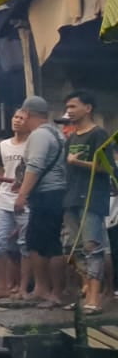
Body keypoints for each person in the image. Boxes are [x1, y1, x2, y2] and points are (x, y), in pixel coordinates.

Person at [60, 90, 113, 313]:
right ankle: (84, 292)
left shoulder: (98, 134)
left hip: (91, 196)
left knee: (92, 246)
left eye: (73, 106)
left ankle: (95, 298)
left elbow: (107, 168)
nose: (69, 111)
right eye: (68, 107)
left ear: (88, 108)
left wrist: (79, 163)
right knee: (72, 249)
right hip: (71, 197)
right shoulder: (71, 137)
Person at [14, 95, 68, 307]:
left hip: (46, 194)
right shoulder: (57, 134)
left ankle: (51, 292)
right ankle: (42, 289)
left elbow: (34, 166)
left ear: (27, 114)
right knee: (38, 242)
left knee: (47, 244)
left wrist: (22, 195)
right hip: (56, 193)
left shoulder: (39, 136)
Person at [0, 108, 30, 300]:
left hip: (25, 200)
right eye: (15, 116)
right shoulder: (4, 145)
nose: (17, 121)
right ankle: (2, 287)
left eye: (22, 118)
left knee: (25, 245)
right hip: (4, 200)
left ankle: (24, 288)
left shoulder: (32, 144)